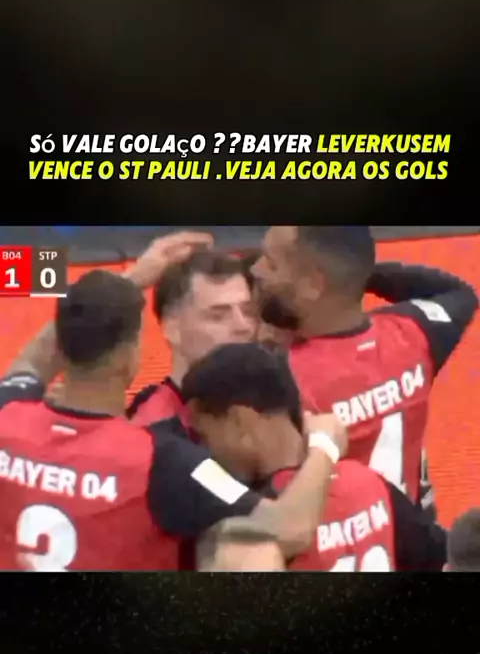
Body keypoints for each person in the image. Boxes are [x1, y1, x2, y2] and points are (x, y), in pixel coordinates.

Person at [0, 268, 347, 571]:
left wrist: (114, 289)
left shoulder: (8, 413)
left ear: (62, 346)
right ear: (129, 356)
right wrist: (325, 444)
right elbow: (290, 526)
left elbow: (32, 362)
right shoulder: (164, 460)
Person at [251, 226, 478, 519]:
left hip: (334, 541)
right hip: (411, 533)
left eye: (270, 264)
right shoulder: (413, 333)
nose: (255, 270)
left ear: (313, 284)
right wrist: (355, 275)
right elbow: (459, 293)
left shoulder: (281, 376)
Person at [181, 342, 447, 572]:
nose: (205, 451)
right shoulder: (369, 483)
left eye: (205, 436)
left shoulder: (254, 521)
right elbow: (440, 555)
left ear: (240, 421)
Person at [127, 248, 257, 426]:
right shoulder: (150, 428)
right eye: (218, 316)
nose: (243, 326)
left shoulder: (274, 410)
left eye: (248, 311)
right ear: (172, 329)